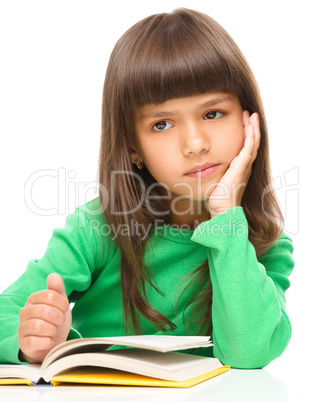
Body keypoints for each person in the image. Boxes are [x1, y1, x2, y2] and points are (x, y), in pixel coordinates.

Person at [0, 8, 294, 369]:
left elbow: (251, 353)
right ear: (133, 146)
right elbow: (8, 309)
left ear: (250, 121)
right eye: (162, 124)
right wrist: (31, 338)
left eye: (213, 114)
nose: (195, 143)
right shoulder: (98, 227)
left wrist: (225, 218)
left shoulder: (261, 243)